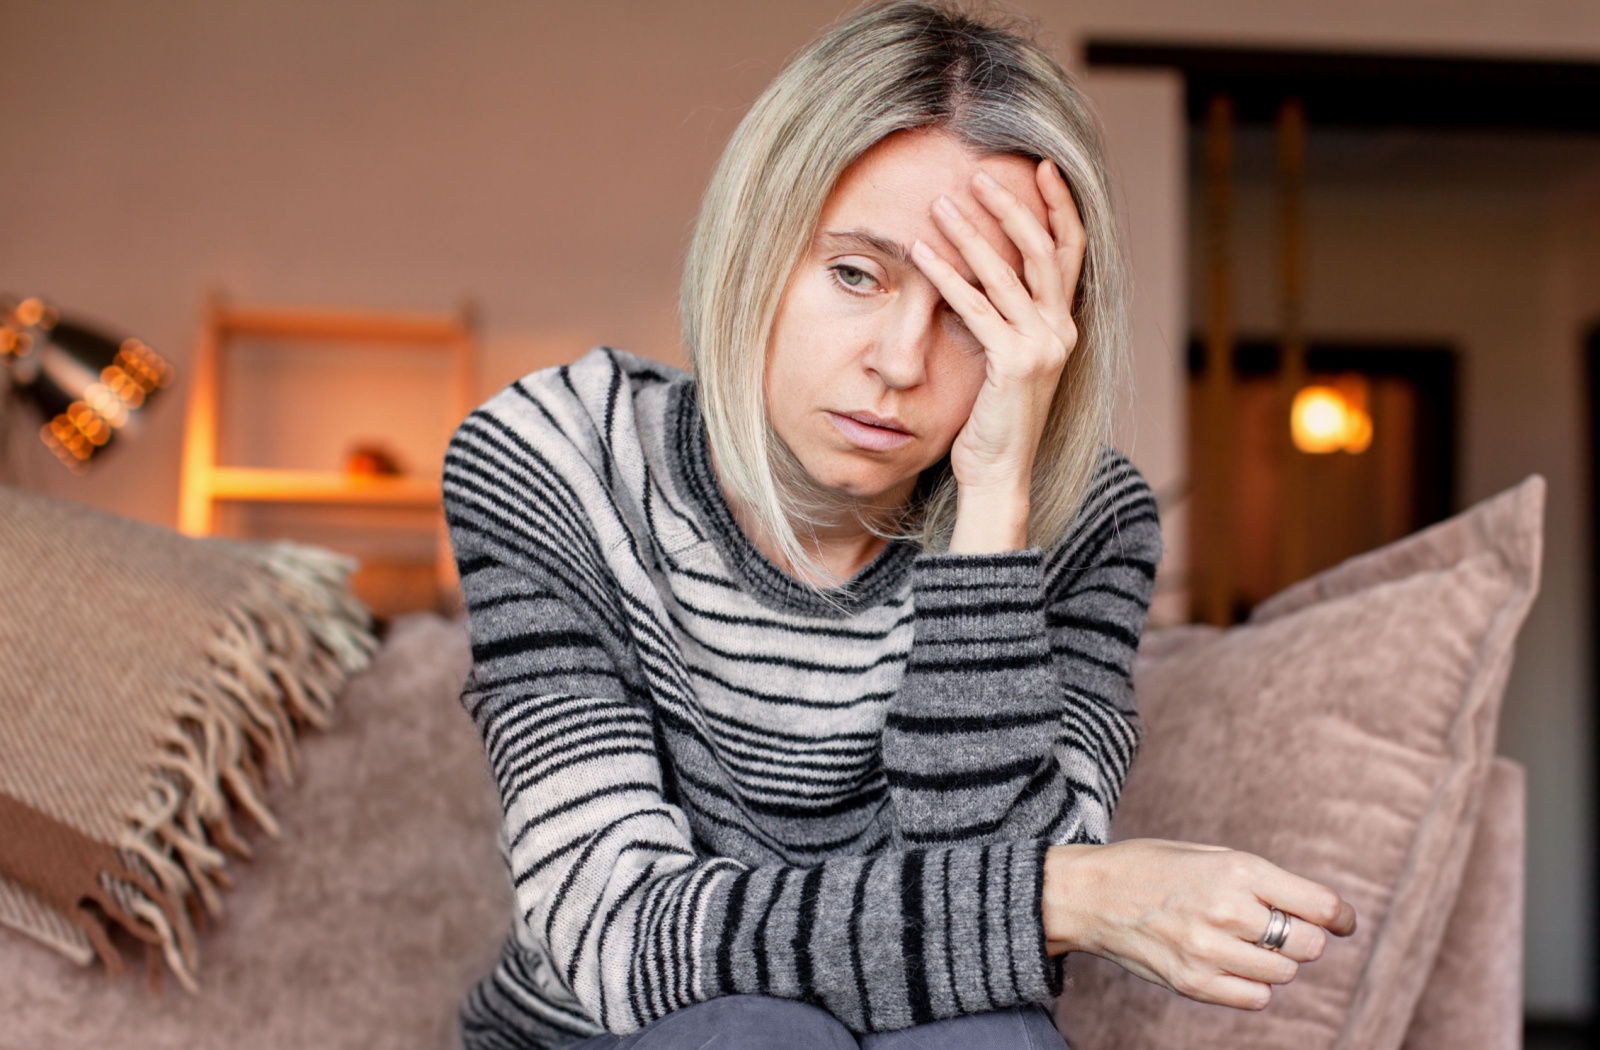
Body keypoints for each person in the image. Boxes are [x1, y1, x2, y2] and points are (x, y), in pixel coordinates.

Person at [441, 3, 1357, 1048]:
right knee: (756, 1033)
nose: (900, 362)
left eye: (974, 311)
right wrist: (1062, 899)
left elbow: (994, 968)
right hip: (612, 1040)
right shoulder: (554, 457)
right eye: (853, 274)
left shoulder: (1089, 524)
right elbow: (613, 938)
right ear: (754, 247)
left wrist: (995, 498)